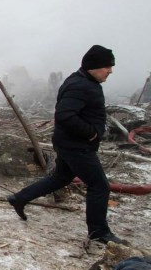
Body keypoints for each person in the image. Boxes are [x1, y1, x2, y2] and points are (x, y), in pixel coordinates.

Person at [7, 45, 125, 244]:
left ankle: (20, 198)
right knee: (99, 186)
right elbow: (64, 115)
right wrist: (90, 133)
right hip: (77, 146)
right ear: (94, 66)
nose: (110, 71)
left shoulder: (83, 81)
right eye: (107, 66)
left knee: (60, 179)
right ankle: (98, 232)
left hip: (70, 144)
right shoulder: (81, 85)